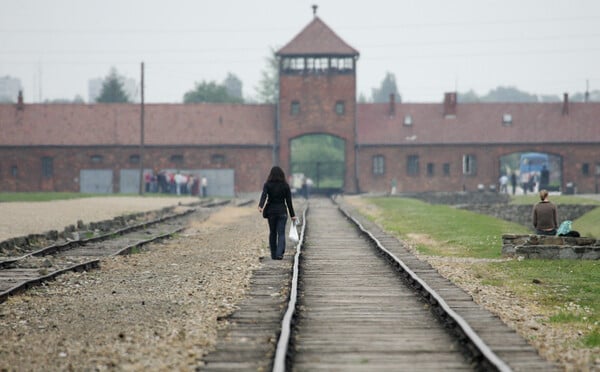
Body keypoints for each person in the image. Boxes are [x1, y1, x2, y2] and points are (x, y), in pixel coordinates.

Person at [258, 166, 297, 260]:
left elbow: (264, 195)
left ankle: (273, 254)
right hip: (282, 212)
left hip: (271, 212)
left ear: (271, 174)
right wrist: (293, 215)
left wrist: (261, 206)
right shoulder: (285, 185)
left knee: (272, 233)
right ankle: (280, 253)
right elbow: (289, 202)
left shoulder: (267, 184)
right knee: (281, 233)